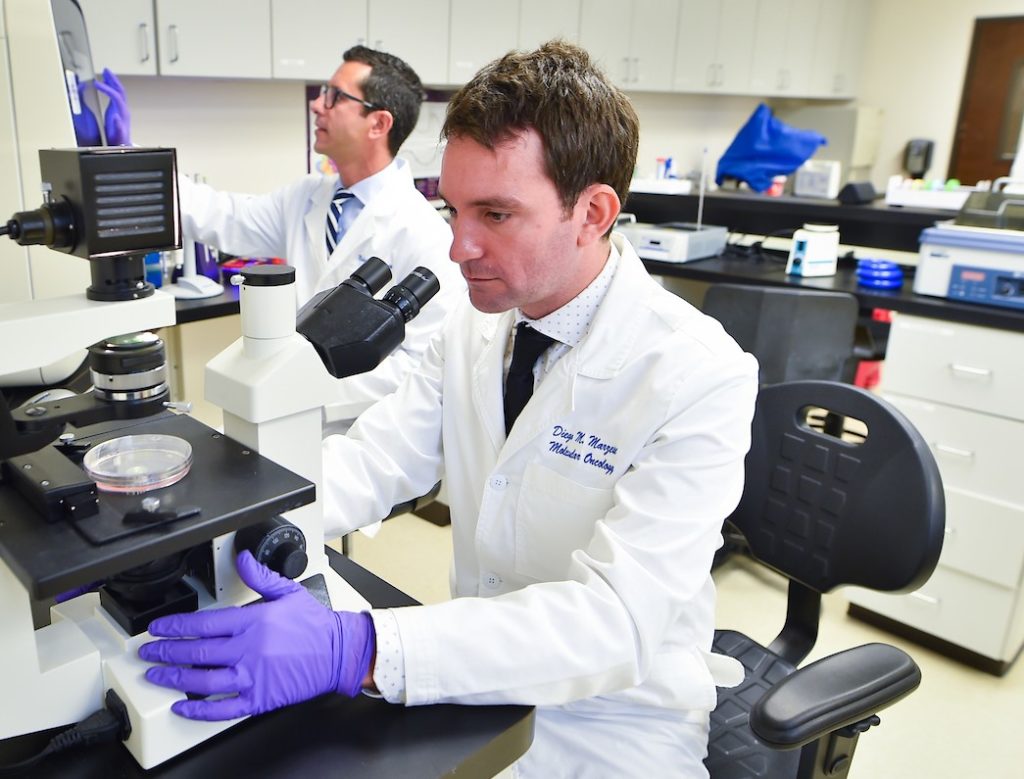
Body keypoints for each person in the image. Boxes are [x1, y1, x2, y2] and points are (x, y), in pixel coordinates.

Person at [139, 41, 758, 777]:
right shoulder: (475, 326)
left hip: (615, 726)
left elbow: (614, 621)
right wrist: (218, 524)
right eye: (452, 208)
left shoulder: (697, 372)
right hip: (475, 685)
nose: (458, 247)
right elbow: (377, 458)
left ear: (592, 211)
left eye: (495, 213)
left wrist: (360, 646)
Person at [134, 46, 462, 431]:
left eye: (336, 97)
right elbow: (222, 216)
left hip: (359, 435)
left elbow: (416, 365)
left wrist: (304, 394)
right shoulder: (305, 198)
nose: (317, 105)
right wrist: (134, 164)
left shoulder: (426, 234)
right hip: (285, 415)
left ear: (378, 124)